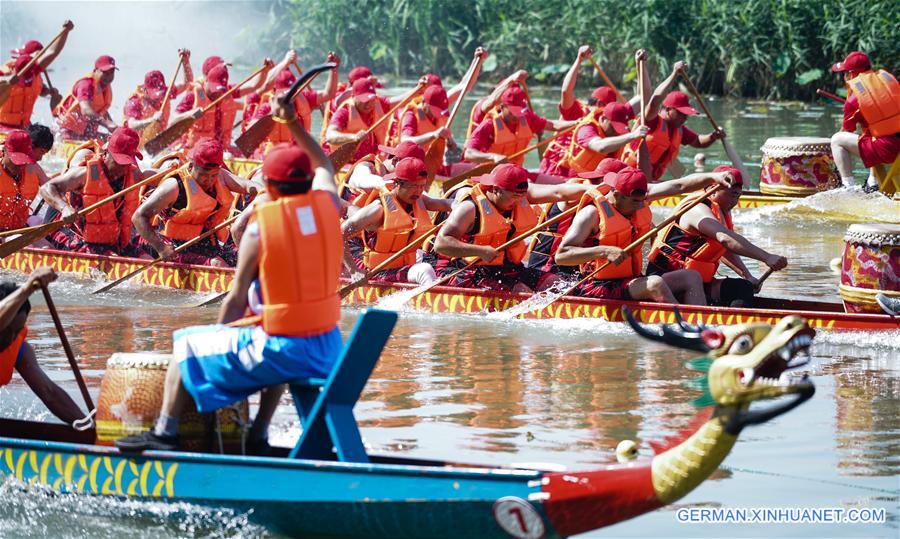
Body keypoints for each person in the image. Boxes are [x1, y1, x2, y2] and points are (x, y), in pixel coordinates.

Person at [115, 97, 343, 453]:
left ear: (268, 185)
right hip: (328, 345)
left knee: (185, 346)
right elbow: (325, 162)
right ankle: (258, 436)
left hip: (286, 350)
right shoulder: (330, 206)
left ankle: (164, 434)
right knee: (272, 343)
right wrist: (295, 124)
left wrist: (218, 341)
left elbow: (237, 297)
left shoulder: (262, 227)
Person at [527, 157, 735, 276]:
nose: (598, 185)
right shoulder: (579, 194)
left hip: (586, 266)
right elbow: (546, 193)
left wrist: (712, 176)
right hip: (549, 264)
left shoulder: (629, 198)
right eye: (598, 180)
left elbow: (677, 186)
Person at [555, 166, 707, 304]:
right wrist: (604, 251)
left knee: (691, 276)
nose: (639, 206)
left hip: (630, 281)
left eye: (641, 201)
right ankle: (684, 328)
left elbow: (679, 186)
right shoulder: (591, 214)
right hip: (596, 287)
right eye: (634, 201)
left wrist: (715, 179)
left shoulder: (637, 208)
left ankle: (704, 326)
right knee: (655, 283)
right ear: (616, 193)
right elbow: (562, 256)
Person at [433, 163, 591, 292]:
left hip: (508, 268)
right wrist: (479, 250)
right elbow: (441, 244)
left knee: (562, 286)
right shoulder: (469, 208)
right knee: (523, 292)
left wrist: (592, 190)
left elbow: (559, 192)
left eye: (523, 194)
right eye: (515, 196)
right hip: (468, 270)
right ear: (495, 190)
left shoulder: (519, 194)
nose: (520, 200)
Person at [646, 166, 788, 306]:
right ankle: (704, 323)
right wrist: (766, 257)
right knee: (694, 280)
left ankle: (735, 326)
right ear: (711, 189)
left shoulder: (721, 211)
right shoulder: (697, 209)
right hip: (666, 279)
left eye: (738, 195)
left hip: (698, 280)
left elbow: (721, 249)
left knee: (742, 288)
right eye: (732, 195)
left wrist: (747, 275)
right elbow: (725, 239)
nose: (735, 202)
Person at [131, 138, 254, 267]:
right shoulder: (173, 187)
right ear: (191, 165)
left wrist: (266, 193)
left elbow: (248, 186)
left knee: (244, 256)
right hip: (170, 245)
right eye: (203, 175)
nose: (209, 180)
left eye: (213, 175)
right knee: (217, 264)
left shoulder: (221, 176)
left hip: (200, 242)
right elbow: (138, 217)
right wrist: (161, 248)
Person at [39, 127, 154, 256]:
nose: (123, 168)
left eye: (127, 162)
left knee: (147, 258)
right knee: (111, 257)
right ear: (106, 153)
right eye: (118, 162)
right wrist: (64, 208)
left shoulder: (133, 174)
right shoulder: (84, 174)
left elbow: (160, 176)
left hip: (110, 240)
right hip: (74, 234)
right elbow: (46, 188)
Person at [342, 156, 453, 285]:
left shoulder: (418, 199)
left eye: (422, 186)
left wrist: (460, 204)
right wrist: (353, 270)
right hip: (377, 272)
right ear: (397, 183)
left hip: (403, 266)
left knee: (434, 260)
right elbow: (340, 234)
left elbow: (445, 203)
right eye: (414, 186)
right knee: (424, 269)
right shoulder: (378, 210)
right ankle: (430, 303)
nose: (418, 192)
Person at [0, 267, 85, 424]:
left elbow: (50, 393)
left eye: (17, 332)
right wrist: (27, 288)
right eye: (6, 330)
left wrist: (87, 426)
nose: (10, 339)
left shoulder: (20, 350)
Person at [620, 53, 724, 181]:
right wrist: (674, 73)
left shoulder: (679, 129)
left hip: (649, 181)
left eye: (686, 115)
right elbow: (655, 100)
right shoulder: (651, 121)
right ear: (668, 110)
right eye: (681, 114)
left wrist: (713, 136)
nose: (685, 118)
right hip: (627, 177)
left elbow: (698, 141)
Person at [170, 54, 283, 151]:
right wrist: (190, 114)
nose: (218, 94)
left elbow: (254, 85)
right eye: (215, 89)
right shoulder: (194, 96)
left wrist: (265, 70)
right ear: (207, 79)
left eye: (221, 90)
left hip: (221, 150)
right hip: (195, 150)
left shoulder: (228, 91)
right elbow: (173, 120)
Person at [539, 45, 622, 175]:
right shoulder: (577, 110)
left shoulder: (609, 125)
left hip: (580, 173)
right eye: (608, 107)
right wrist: (579, 60)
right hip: (555, 167)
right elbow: (566, 91)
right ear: (600, 104)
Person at [246, 52, 341, 157]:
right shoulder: (267, 107)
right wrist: (274, 112)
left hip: (300, 153)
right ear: (275, 91)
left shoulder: (304, 98)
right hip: (274, 155)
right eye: (283, 92)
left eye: (290, 91)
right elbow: (250, 130)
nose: (289, 96)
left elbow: (329, 94)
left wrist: (334, 69)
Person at [828, 51, 900, 189]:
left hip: (889, 150)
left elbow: (846, 130)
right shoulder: (888, 83)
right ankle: (873, 183)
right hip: (896, 145)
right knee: (871, 133)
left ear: (850, 74)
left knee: (837, 140)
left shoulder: (854, 98)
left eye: (844, 73)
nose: (843, 77)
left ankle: (847, 187)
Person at [464, 85, 577, 169]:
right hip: (490, 174)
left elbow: (553, 125)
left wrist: (577, 122)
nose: (517, 116)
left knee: (558, 184)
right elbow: (468, 153)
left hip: (516, 172)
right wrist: (493, 157)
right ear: (502, 106)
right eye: (513, 112)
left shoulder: (527, 118)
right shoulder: (489, 125)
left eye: (519, 112)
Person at [325, 77, 424, 165]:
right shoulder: (344, 112)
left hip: (373, 160)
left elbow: (402, 100)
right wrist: (353, 137)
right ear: (353, 96)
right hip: (347, 163)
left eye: (371, 99)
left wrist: (418, 88)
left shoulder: (378, 103)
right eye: (364, 100)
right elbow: (330, 135)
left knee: (403, 156)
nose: (368, 104)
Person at [0, 21, 73, 132]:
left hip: (24, 127)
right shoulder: (9, 69)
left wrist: (49, 92)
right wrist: (7, 80)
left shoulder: (33, 71)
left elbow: (52, 52)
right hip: (3, 126)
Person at [554, 101, 648, 177]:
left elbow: (643, 97)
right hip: (572, 178)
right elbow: (600, 147)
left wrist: (642, 76)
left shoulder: (620, 113)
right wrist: (633, 135)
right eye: (613, 127)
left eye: (619, 128)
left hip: (600, 178)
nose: (616, 132)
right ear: (603, 119)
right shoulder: (587, 129)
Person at [123, 49, 193, 133]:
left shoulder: (165, 93)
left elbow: (187, 83)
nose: (159, 96)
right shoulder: (134, 102)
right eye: (155, 92)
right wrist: (152, 120)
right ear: (145, 90)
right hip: (134, 141)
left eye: (160, 92)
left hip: (155, 138)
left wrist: (186, 62)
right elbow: (132, 125)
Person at [54, 55, 119, 140]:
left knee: (112, 139)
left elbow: (102, 111)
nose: (109, 77)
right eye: (105, 73)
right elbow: (86, 110)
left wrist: (115, 128)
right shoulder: (86, 84)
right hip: (66, 132)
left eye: (111, 72)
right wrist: (106, 123)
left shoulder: (105, 87)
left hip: (85, 133)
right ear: (96, 71)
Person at [0, 130, 53, 231]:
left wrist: (64, 208)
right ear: (5, 150)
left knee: (46, 246)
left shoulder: (33, 168)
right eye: (15, 160)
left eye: (23, 161)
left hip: (20, 229)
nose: (19, 165)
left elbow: (51, 189)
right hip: (3, 236)